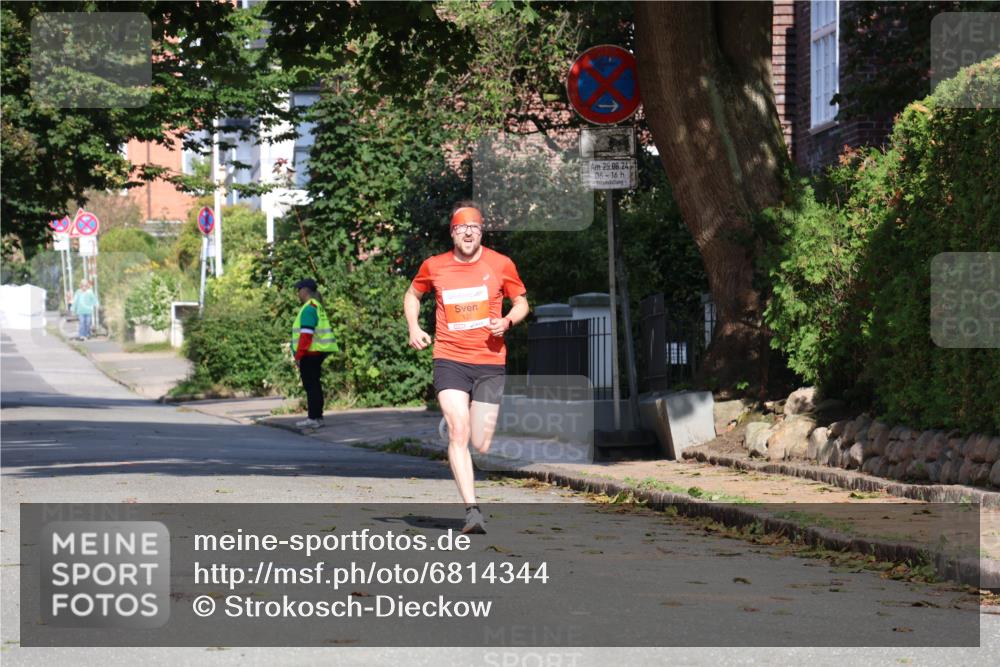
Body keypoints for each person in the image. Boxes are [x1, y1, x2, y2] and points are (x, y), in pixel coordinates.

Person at [404, 202, 529, 534]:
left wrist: (507, 321)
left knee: (481, 442)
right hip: (450, 358)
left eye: (474, 227)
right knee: (459, 431)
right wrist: (414, 328)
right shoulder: (435, 266)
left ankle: (471, 438)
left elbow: (521, 302)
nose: (468, 232)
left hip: (489, 360)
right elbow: (412, 295)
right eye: (462, 228)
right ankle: (472, 511)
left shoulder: (501, 264)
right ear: (453, 232)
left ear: (482, 230)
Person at [291, 278, 338, 429]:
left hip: (310, 353)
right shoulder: (316, 306)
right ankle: (317, 417)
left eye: (299, 290)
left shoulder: (309, 308)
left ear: (305, 291)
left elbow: (306, 335)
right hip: (316, 352)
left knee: (311, 386)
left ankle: (314, 418)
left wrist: (298, 356)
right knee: (315, 385)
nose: (298, 293)